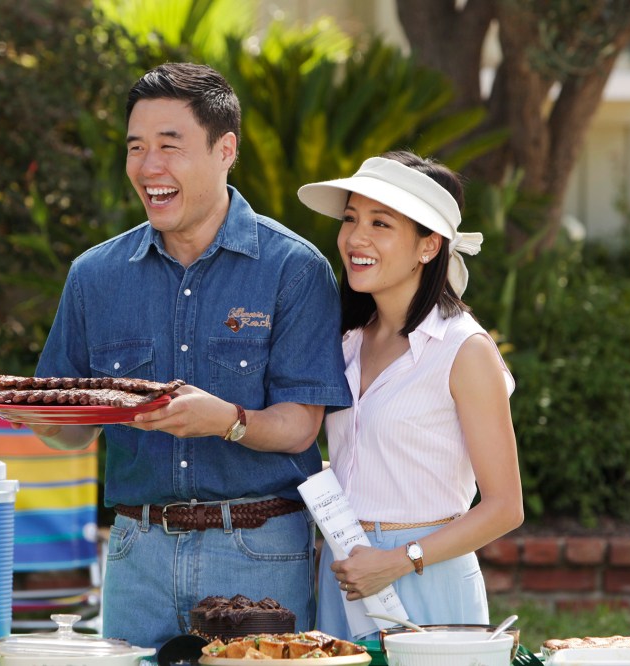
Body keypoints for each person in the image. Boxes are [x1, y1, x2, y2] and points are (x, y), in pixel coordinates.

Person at [32, 62, 351, 649]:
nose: (149, 166)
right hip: (136, 554)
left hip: (259, 550)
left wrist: (226, 421)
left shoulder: (294, 269)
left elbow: (301, 426)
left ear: (224, 149)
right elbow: (72, 433)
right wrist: (43, 420)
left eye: (169, 146)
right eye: (136, 148)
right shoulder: (94, 276)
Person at [296, 151, 523, 639]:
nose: (356, 238)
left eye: (381, 223)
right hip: (346, 572)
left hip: (427, 578)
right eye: (351, 218)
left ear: (428, 246)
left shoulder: (464, 350)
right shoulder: (348, 341)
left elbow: (505, 506)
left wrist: (400, 560)